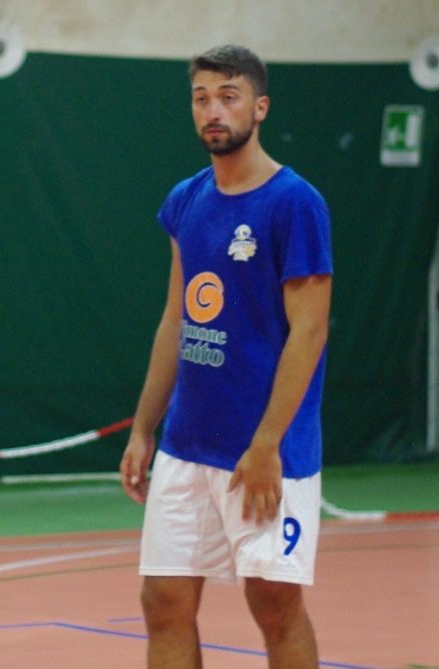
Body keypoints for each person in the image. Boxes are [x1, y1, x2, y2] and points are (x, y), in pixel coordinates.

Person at [119, 45, 332, 669]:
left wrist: (267, 444)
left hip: (265, 453)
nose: (214, 110)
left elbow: (310, 333)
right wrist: (143, 427)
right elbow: (177, 317)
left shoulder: (295, 203)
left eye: (228, 96)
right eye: (201, 97)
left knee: (273, 606)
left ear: (259, 107)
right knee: (162, 600)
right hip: (188, 444)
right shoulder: (187, 199)